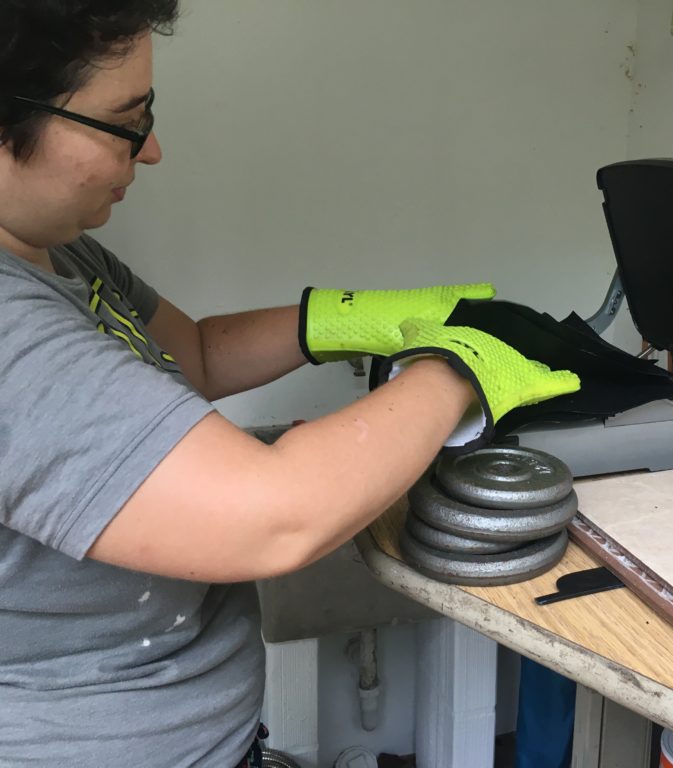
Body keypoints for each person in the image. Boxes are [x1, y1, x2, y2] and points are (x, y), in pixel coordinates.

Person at [0, 2, 579, 765]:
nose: (151, 151)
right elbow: (273, 517)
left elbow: (196, 353)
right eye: (124, 120)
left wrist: (353, 319)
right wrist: (460, 368)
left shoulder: (54, 253)